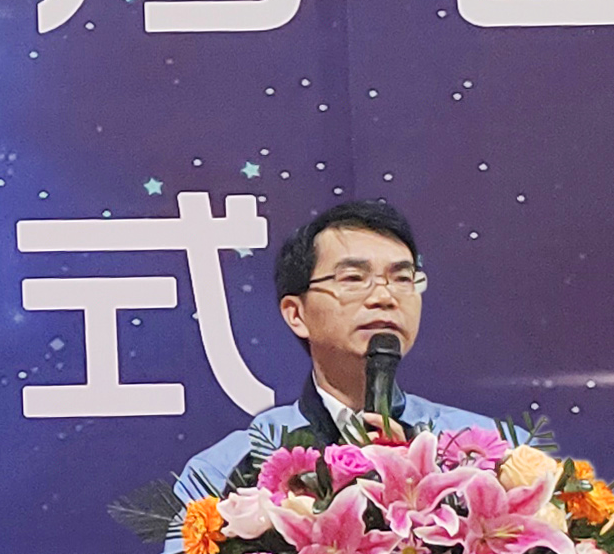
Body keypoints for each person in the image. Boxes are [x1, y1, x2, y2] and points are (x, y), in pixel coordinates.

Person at [176, 197, 503, 503]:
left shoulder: (491, 452)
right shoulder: (231, 472)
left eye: (403, 278)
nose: (384, 297)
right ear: (297, 314)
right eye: (354, 278)